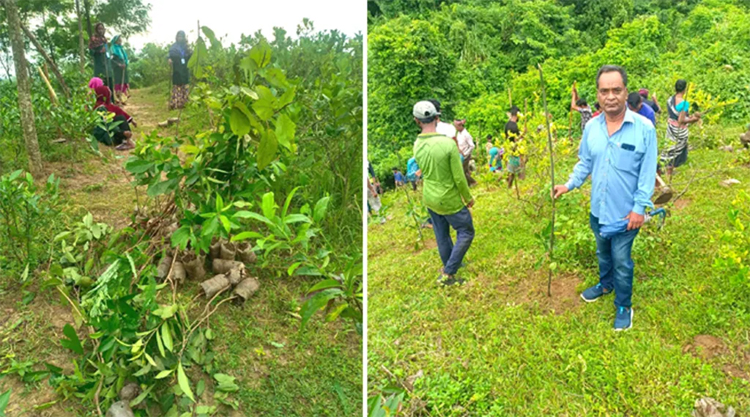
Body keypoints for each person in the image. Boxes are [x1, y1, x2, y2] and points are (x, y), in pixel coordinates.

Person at [553, 65, 657, 331]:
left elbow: (647, 175)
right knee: (602, 253)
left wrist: (639, 208)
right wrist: (568, 185)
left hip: (626, 215)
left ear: (625, 92)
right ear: (598, 95)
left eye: (616, 90)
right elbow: (585, 162)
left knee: (622, 260)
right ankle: (606, 283)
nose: (610, 96)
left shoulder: (644, 129)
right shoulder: (591, 128)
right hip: (598, 211)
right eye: (604, 91)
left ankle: (623, 305)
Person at [413, 100, 474, 286]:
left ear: (417, 121)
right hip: (448, 198)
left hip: (429, 197)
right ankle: (448, 272)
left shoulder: (416, 144)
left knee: (442, 235)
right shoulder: (447, 144)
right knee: (466, 231)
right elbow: (459, 177)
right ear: (437, 117)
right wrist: (468, 198)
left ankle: (452, 264)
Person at [660, 79, 701, 175]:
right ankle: (669, 171)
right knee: (676, 151)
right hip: (679, 131)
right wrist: (693, 119)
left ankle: (665, 170)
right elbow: (681, 120)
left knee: (669, 149)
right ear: (685, 89)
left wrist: (688, 117)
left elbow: (674, 115)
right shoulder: (684, 103)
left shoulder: (670, 100)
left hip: (670, 128)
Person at [92, 86, 137, 151]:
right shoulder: (100, 108)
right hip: (105, 136)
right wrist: (122, 133)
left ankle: (126, 141)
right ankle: (127, 140)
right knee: (119, 119)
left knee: (120, 117)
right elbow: (108, 124)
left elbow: (118, 111)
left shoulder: (101, 105)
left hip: (105, 133)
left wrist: (131, 119)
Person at [88, 23, 114, 103]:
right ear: (96, 29)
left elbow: (107, 52)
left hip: (107, 64)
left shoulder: (104, 40)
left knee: (109, 81)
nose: (101, 30)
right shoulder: (93, 39)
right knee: (101, 82)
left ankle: (111, 101)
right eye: (99, 28)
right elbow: (91, 52)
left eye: (102, 28)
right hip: (99, 65)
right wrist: (99, 51)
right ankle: (102, 102)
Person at [169, 31, 192, 110]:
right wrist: (169, 59)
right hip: (177, 69)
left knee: (184, 85)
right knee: (177, 85)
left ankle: (184, 103)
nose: (180, 38)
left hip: (185, 69)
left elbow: (191, 56)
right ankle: (176, 103)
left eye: (182, 36)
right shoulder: (174, 47)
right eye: (179, 36)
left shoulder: (187, 47)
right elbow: (170, 55)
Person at [505, 106, 524, 188]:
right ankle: (511, 185)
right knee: (514, 169)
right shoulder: (515, 126)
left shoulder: (507, 124)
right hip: (515, 149)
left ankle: (510, 184)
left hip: (508, 147)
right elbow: (516, 139)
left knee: (511, 169)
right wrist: (523, 134)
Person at [455, 118, 477, 186]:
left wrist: (466, 154)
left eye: (456, 126)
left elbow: (472, 146)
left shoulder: (466, 134)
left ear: (460, 126)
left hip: (465, 155)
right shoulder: (458, 133)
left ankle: (472, 182)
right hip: (460, 154)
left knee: (463, 171)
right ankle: (469, 184)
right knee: (465, 170)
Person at [110, 35, 130, 104]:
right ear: (116, 41)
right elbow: (112, 60)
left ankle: (124, 98)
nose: (120, 40)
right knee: (118, 82)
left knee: (124, 81)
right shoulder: (113, 49)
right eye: (119, 39)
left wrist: (125, 64)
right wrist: (119, 64)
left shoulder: (121, 49)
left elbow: (124, 58)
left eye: (120, 39)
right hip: (117, 69)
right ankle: (118, 98)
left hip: (123, 67)